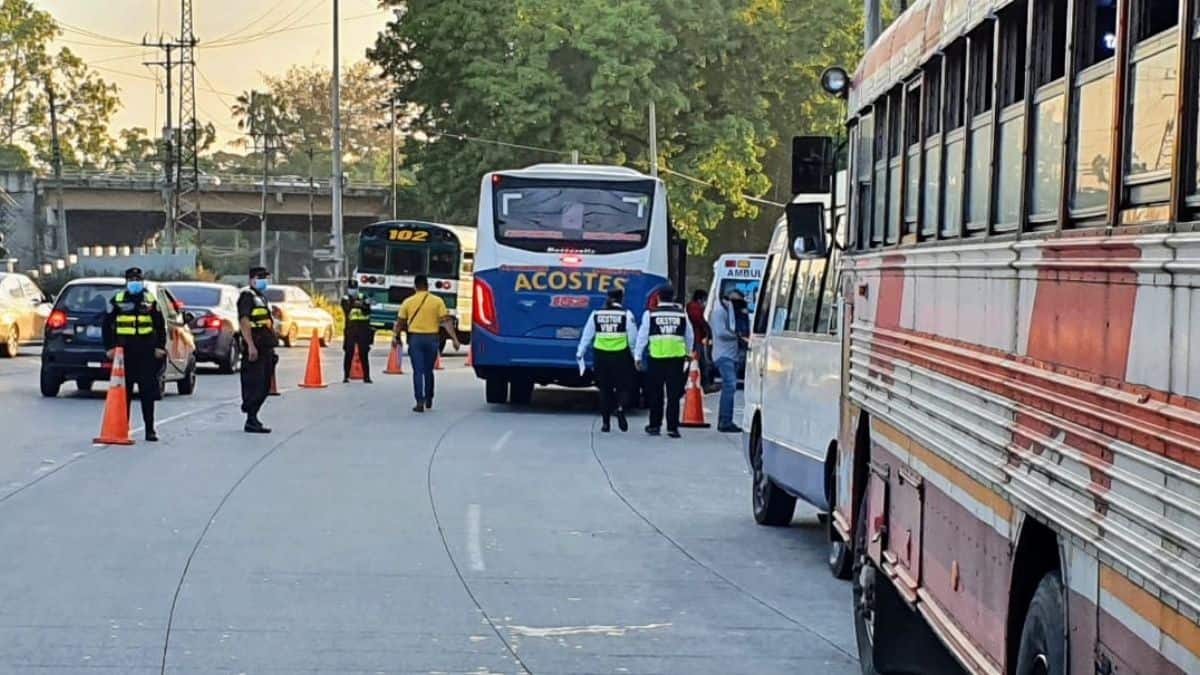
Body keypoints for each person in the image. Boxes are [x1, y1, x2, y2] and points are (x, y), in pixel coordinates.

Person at [102, 267, 167, 442]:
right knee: (125, 394)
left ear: (142, 281)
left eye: (137, 279)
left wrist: (160, 347)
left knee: (147, 393)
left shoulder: (150, 300)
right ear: (126, 282)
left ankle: (150, 429)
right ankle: (123, 428)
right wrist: (109, 347)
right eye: (131, 279)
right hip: (125, 353)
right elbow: (106, 325)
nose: (134, 282)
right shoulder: (117, 300)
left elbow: (160, 326)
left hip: (146, 352)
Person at [393, 274, 460, 412]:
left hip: (415, 339)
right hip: (432, 339)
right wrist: (454, 339)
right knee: (429, 371)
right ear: (427, 285)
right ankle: (429, 398)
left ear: (415, 286)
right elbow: (446, 321)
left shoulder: (408, 302)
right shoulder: (437, 301)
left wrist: (395, 336)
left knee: (418, 371)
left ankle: (419, 401)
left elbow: (400, 322)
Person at [635, 285, 694, 438]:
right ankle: (672, 428)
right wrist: (688, 352)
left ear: (659, 297)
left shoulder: (651, 314)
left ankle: (655, 426)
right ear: (672, 297)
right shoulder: (682, 314)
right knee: (673, 395)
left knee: (656, 394)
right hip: (676, 358)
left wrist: (637, 356)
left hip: (656, 358)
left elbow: (642, 336)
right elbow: (689, 335)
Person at [576, 288, 638, 432]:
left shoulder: (596, 314)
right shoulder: (626, 315)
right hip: (620, 356)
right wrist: (636, 356)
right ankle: (621, 408)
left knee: (604, 389)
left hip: (601, 356)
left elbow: (587, 335)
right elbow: (632, 338)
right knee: (623, 387)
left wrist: (581, 352)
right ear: (621, 299)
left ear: (608, 298)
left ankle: (605, 423)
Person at [238, 266, 277, 433]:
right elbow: (244, 321)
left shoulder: (260, 297)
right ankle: (250, 418)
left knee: (265, 384)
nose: (264, 280)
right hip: (256, 347)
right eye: (261, 277)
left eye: (265, 277)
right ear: (252, 279)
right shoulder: (247, 296)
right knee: (255, 383)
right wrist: (250, 345)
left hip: (266, 346)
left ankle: (253, 416)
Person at [710, 289, 745, 433]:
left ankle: (724, 419)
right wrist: (738, 335)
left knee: (729, 387)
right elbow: (720, 332)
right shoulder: (719, 311)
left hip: (731, 354)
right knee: (730, 386)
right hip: (723, 355)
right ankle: (725, 421)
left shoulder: (730, 310)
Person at [340, 279, 374, 383]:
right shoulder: (345, 299)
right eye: (351, 288)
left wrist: (361, 304)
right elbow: (347, 308)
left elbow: (367, 309)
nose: (352, 290)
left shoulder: (363, 297)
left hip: (363, 329)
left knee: (364, 353)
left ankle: (367, 377)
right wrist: (360, 304)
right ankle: (346, 376)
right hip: (351, 329)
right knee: (348, 353)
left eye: (354, 288)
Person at [685, 288, 716, 393]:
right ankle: (705, 385)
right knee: (701, 362)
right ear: (700, 299)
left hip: (696, 337)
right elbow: (699, 320)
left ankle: (705, 384)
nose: (704, 303)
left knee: (699, 362)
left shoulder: (693, 307)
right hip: (695, 338)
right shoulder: (694, 307)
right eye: (704, 300)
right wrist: (707, 331)